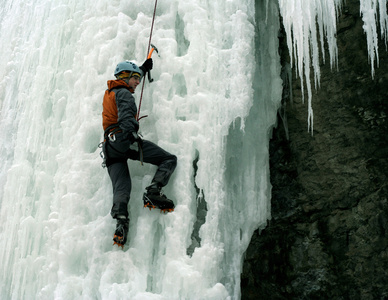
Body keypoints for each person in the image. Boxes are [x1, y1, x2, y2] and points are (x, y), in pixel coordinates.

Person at [102, 59, 177, 248]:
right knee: (168, 159)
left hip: (109, 147)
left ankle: (121, 223)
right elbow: (127, 115)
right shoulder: (124, 94)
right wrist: (131, 136)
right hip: (123, 139)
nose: (137, 82)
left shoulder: (111, 91)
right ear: (125, 77)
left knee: (121, 185)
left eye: (138, 78)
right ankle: (153, 191)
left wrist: (142, 69)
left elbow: (129, 81)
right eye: (134, 78)